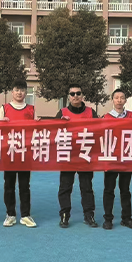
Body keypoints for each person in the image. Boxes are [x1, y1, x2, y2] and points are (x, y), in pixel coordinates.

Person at [55, 84, 99, 228]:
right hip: (67, 155)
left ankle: (89, 215)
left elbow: (99, 130)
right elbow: (52, 132)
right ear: (68, 97)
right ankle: (64, 215)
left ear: (82, 95)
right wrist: (60, 124)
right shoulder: (62, 113)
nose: (75, 96)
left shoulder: (91, 112)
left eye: (78, 93)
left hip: (85, 155)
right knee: (65, 187)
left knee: (86, 187)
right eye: (72, 94)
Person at [0, 79, 37, 228]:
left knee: (25, 186)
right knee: (9, 185)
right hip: (9, 152)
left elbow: (36, 131)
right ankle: (10, 214)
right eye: (17, 90)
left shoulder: (31, 109)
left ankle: (25, 215)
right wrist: (1, 122)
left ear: (26, 92)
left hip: (25, 153)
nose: (19, 93)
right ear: (12, 92)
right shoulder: (4, 108)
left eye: (22, 90)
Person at [102, 88, 132, 230]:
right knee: (109, 190)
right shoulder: (106, 117)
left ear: (125, 100)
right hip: (111, 158)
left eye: (122, 97)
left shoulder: (131, 116)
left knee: (125, 189)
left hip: (126, 158)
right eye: (116, 97)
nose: (119, 100)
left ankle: (126, 218)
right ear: (112, 100)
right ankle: (108, 219)